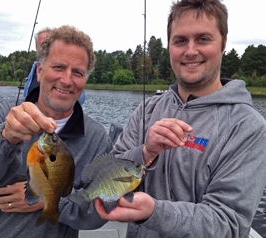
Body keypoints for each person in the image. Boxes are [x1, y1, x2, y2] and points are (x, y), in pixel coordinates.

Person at [95, 0, 266, 237]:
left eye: (203, 39)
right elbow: (107, 174)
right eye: (180, 40)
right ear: (169, 47)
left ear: (224, 44)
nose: (190, 51)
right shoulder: (148, 109)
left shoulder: (248, 126)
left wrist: (153, 213)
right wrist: (145, 152)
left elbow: (229, 224)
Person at [0, 25, 112, 238]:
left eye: (78, 72)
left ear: (85, 79)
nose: (67, 80)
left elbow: (101, 211)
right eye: (59, 67)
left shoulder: (96, 138)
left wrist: (50, 201)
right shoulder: (0, 113)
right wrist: (6, 137)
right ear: (40, 70)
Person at [23, 27, 86, 105]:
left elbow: (80, 100)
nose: (45, 48)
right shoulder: (34, 69)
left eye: (49, 44)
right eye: (42, 44)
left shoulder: (70, 72)